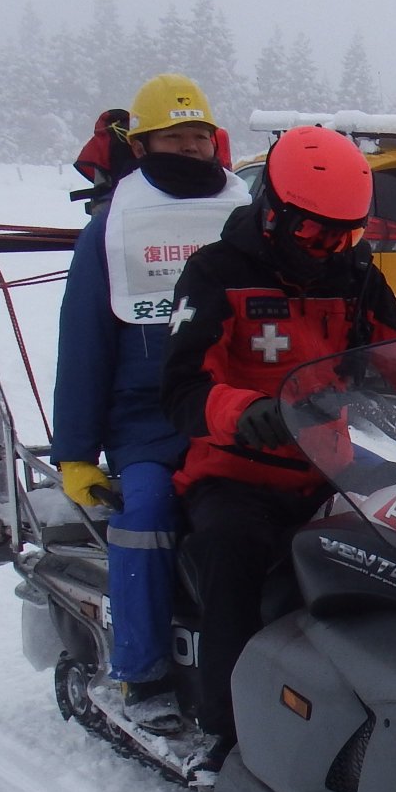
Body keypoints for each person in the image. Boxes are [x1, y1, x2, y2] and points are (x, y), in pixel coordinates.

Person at [161, 124, 396, 786]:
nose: (332, 249)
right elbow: (183, 387)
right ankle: (225, 732)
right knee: (234, 553)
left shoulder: (354, 276)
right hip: (236, 474)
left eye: (347, 234)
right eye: (316, 234)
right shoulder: (217, 274)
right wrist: (246, 413)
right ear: (273, 212)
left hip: (326, 466)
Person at [51, 73, 253, 732]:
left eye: (200, 136)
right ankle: (143, 675)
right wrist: (77, 453)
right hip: (151, 423)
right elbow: (84, 347)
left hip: (236, 407)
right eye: (176, 136)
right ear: (141, 147)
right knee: (148, 512)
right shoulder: (113, 230)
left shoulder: (242, 216)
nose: (191, 148)